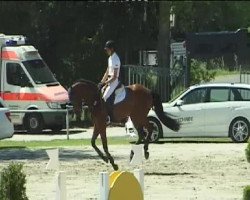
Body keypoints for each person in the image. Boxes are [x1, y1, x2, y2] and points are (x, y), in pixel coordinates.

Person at [98, 40, 121, 124]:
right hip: (109, 80)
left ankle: (108, 117)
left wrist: (105, 83)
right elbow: (107, 71)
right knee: (100, 94)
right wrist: (101, 82)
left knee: (105, 97)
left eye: (107, 49)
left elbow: (114, 76)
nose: (106, 51)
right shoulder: (110, 58)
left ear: (112, 49)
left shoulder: (116, 59)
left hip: (114, 81)